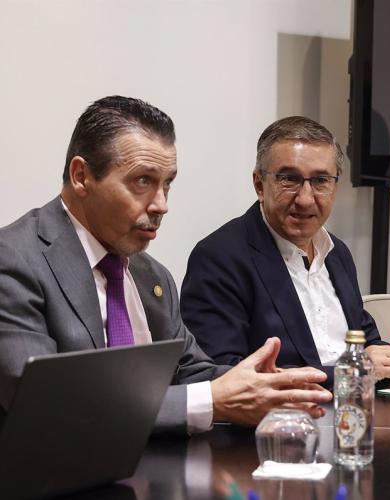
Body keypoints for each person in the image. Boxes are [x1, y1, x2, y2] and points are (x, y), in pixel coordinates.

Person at [0, 96, 332, 435]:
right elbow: (43, 403)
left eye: (167, 183)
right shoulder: (14, 260)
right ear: (81, 176)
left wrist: (264, 386)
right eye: (142, 181)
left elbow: (192, 373)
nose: (161, 204)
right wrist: (211, 400)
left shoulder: (151, 276)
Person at [180, 116, 390, 386]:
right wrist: (353, 372)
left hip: (358, 406)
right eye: (289, 179)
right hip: (285, 413)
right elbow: (222, 375)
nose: (305, 199)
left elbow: (366, 342)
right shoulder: (219, 258)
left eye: (320, 181)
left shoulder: (337, 253)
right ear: (259, 184)